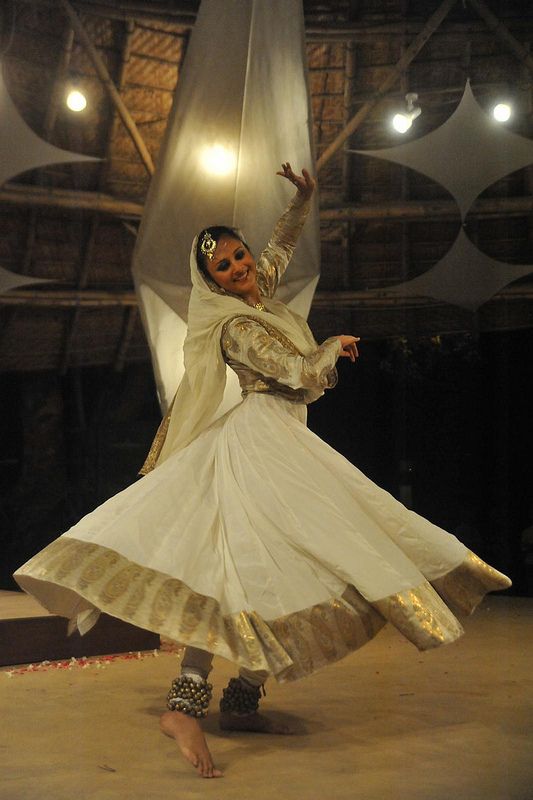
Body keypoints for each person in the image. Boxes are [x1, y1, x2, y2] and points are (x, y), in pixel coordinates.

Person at [14, 163, 511, 779]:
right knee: (242, 572)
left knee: (283, 573)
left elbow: (278, 248)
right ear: (211, 283)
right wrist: (329, 349)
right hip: (258, 447)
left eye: (239, 256)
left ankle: (241, 703)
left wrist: (301, 199)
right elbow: (294, 372)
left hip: (284, 444)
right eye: (223, 267)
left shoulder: (258, 292)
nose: (240, 268)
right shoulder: (237, 325)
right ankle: (184, 705)